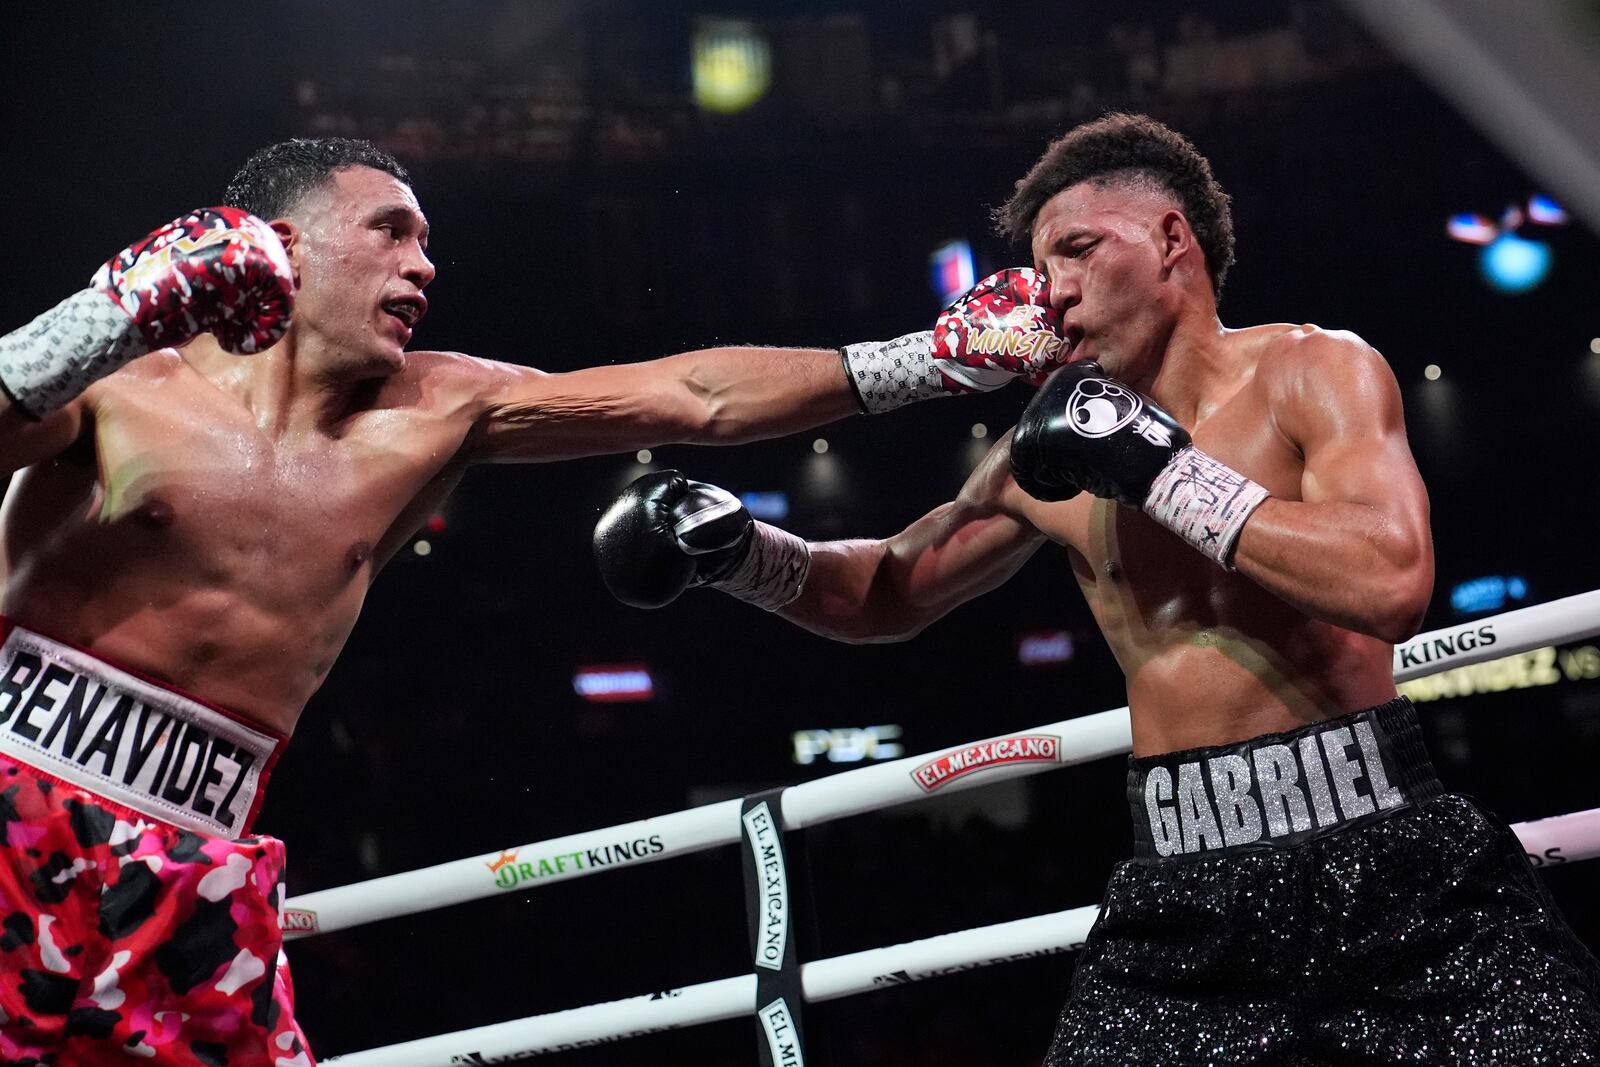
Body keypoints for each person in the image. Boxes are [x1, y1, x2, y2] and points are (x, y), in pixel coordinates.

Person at [0, 137, 1066, 1065]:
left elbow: (691, 395)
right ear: (281, 241)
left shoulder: (438, 409)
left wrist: (925, 358)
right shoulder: (125, 383)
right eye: (391, 232)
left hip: (197, 855)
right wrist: (101, 315)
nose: (424, 264)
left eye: (426, 243)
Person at [594, 113, 1600, 1063]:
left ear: (1172, 240)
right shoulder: (1053, 449)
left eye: (1075, 251)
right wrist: (737, 551)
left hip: (1385, 858)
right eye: (1035, 269)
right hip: (1182, 889)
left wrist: (1158, 469)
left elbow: (1387, 579)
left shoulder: (1312, 369)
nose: (1048, 292)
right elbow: (889, 589)